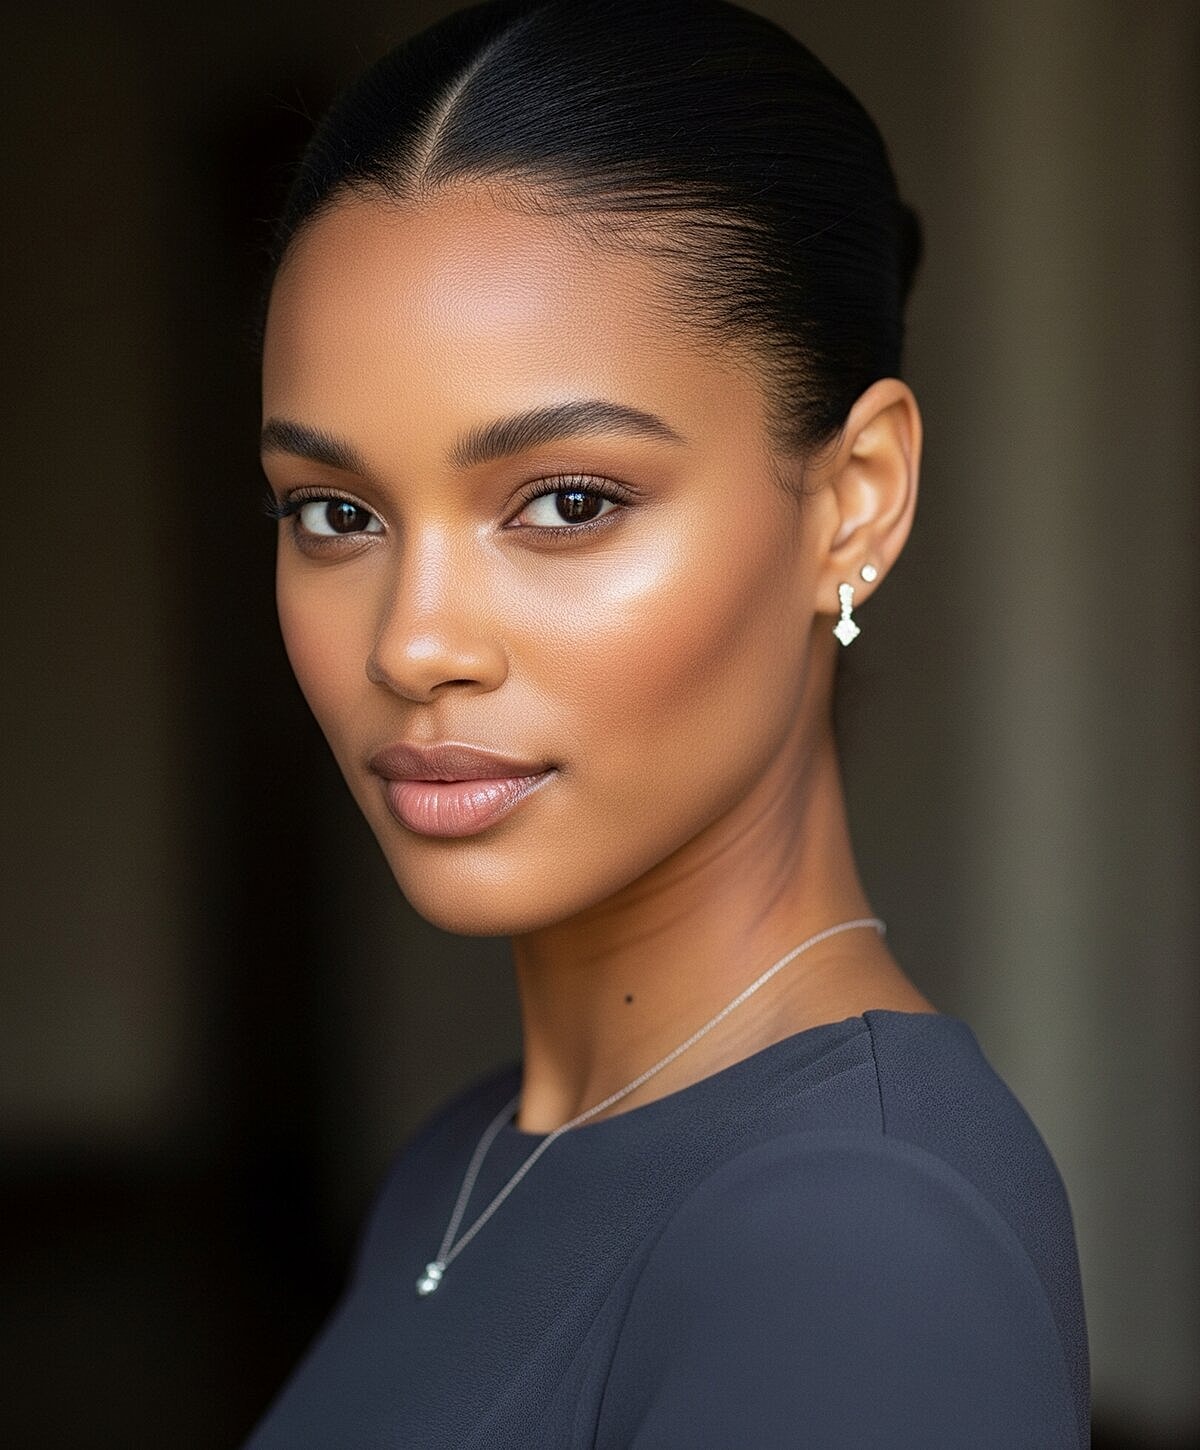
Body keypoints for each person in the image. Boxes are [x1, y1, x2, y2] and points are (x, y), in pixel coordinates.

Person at [245, 0, 1090, 1443]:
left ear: (854, 499)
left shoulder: (854, 1248)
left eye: (567, 502)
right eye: (337, 513)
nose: (413, 642)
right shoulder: (469, 1161)